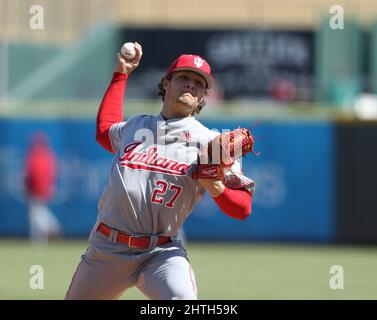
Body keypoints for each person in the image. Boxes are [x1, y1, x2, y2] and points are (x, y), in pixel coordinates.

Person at [65, 42, 255, 300]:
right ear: (166, 83)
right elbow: (104, 131)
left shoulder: (211, 144)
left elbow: (243, 208)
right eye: (184, 78)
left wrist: (217, 187)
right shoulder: (136, 125)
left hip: (161, 254)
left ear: (202, 97)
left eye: (199, 83)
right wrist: (121, 74)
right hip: (107, 248)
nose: (191, 84)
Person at [24, 131, 62, 245]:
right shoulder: (47, 155)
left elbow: (33, 174)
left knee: (36, 213)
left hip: (37, 189)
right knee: (37, 212)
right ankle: (39, 238)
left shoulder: (36, 156)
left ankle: (51, 228)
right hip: (42, 188)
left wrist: (33, 188)